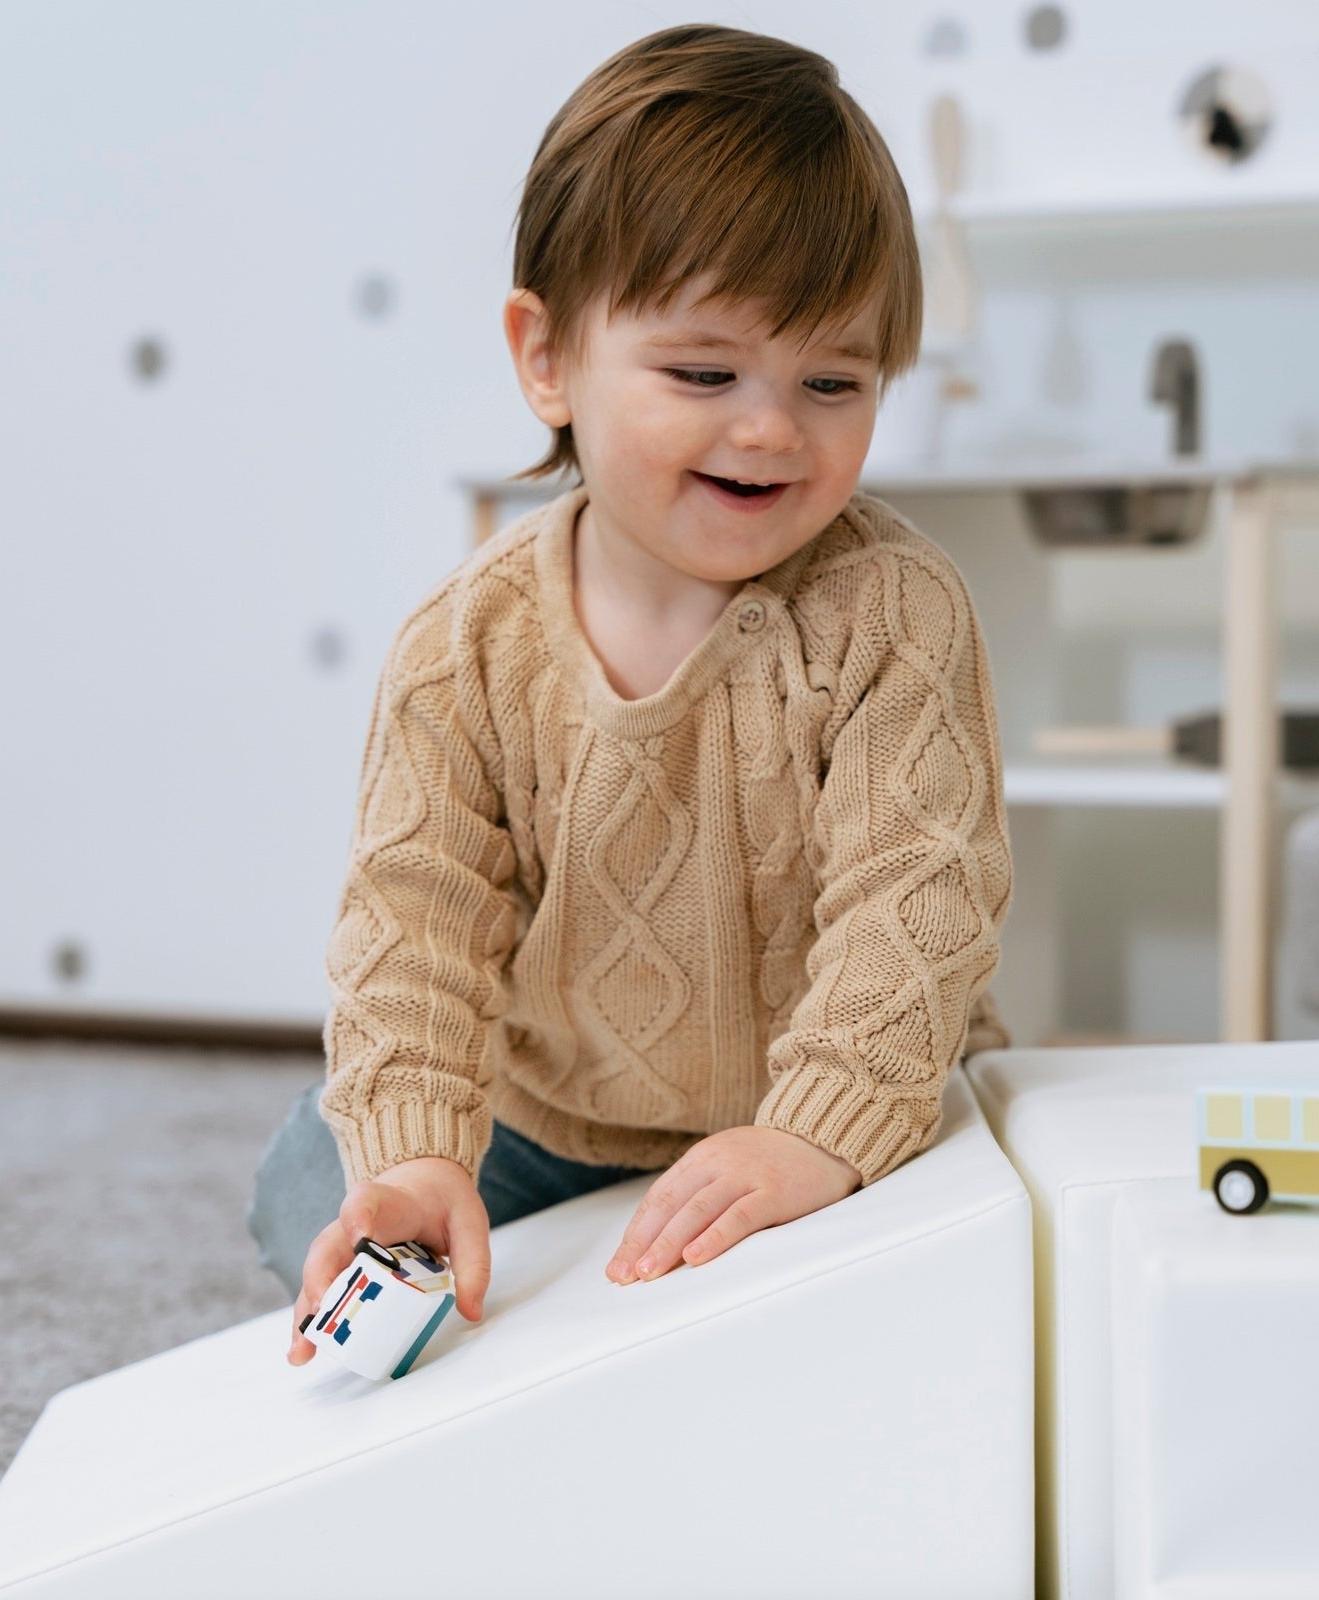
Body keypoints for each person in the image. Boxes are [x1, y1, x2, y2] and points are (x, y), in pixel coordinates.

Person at [248, 20, 1013, 1367]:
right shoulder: (465, 645)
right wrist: (421, 1158)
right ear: (547, 358)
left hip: (826, 1081)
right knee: (314, 1178)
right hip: (557, 1115)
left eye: (832, 381)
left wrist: (817, 1132)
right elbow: (413, 919)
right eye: (704, 373)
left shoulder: (893, 613)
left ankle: (812, 1187)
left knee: (940, 1270)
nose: (772, 426)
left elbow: (918, 898)